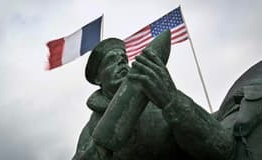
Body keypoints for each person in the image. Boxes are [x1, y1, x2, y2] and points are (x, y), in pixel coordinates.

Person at [72, 30, 262, 160]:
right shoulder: (91, 131)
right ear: (97, 78)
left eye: (124, 59)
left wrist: (171, 100)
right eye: (113, 61)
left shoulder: (156, 98)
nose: (123, 63)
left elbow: (221, 147)